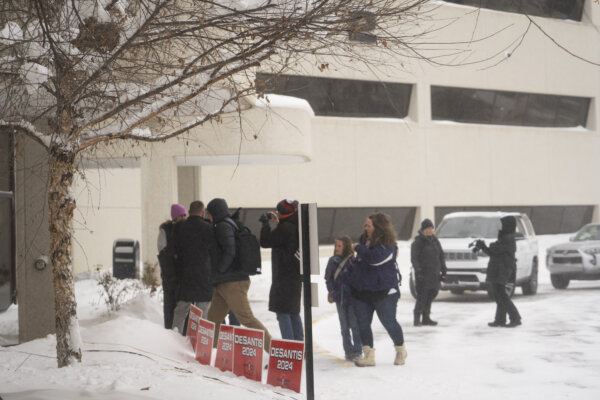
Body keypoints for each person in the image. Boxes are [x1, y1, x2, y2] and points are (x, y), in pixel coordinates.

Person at [205, 198, 273, 351]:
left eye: (208, 213)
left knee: (246, 319)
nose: (207, 216)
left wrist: (220, 269)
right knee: (213, 320)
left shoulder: (223, 226)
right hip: (224, 282)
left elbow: (230, 250)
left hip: (232, 282)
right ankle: (213, 353)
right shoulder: (228, 224)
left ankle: (274, 352)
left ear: (214, 212)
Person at [350, 213, 406, 367]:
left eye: (369, 225)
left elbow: (375, 259)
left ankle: (400, 349)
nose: (365, 228)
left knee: (389, 322)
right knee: (362, 323)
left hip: (384, 292)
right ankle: (368, 356)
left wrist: (358, 248)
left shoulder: (388, 245)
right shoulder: (364, 241)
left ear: (378, 227)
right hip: (362, 291)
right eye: (365, 225)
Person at [259, 199, 304, 341]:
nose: (277, 213)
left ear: (283, 212)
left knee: (283, 312)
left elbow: (266, 241)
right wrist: (279, 223)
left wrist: (265, 224)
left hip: (284, 277)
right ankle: (299, 347)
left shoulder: (285, 228)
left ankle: (290, 348)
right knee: (293, 312)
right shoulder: (297, 225)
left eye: (279, 211)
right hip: (295, 276)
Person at [171, 201, 217, 334]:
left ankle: (175, 338)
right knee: (204, 311)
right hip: (204, 275)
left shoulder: (179, 228)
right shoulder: (208, 228)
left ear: (189, 212)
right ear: (203, 213)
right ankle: (203, 342)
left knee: (181, 310)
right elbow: (214, 253)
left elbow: (173, 251)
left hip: (185, 275)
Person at [474, 215, 522, 328]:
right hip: (499, 268)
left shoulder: (508, 238)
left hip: (503, 269)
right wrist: (484, 247)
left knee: (501, 295)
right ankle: (500, 319)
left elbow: (496, 249)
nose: (501, 226)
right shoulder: (505, 237)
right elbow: (493, 251)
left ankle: (515, 317)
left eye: (503, 224)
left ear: (508, 226)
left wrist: (485, 246)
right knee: (499, 294)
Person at [325, 235, 362, 360]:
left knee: (354, 325)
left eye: (339, 246)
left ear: (346, 246)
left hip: (351, 298)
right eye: (336, 246)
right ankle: (348, 351)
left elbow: (357, 278)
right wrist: (333, 292)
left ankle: (357, 350)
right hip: (339, 299)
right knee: (344, 327)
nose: (337, 248)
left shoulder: (352, 261)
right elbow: (328, 279)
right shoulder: (332, 261)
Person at [411, 218, 447, 327]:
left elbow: (441, 256)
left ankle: (426, 318)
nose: (429, 231)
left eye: (431, 228)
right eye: (427, 229)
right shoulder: (418, 242)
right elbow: (414, 259)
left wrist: (444, 270)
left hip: (434, 274)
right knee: (422, 296)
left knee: (432, 294)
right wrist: (418, 271)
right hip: (423, 274)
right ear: (422, 230)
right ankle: (417, 317)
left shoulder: (435, 241)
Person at [157, 204, 187, 329]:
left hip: (182, 275)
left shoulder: (185, 228)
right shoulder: (165, 230)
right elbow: (162, 252)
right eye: (182, 215)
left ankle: (181, 331)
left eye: (185, 215)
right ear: (175, 216)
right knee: (170, 305)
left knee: (183, 306)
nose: (184, 217)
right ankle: (170, 330)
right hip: (170, 275)